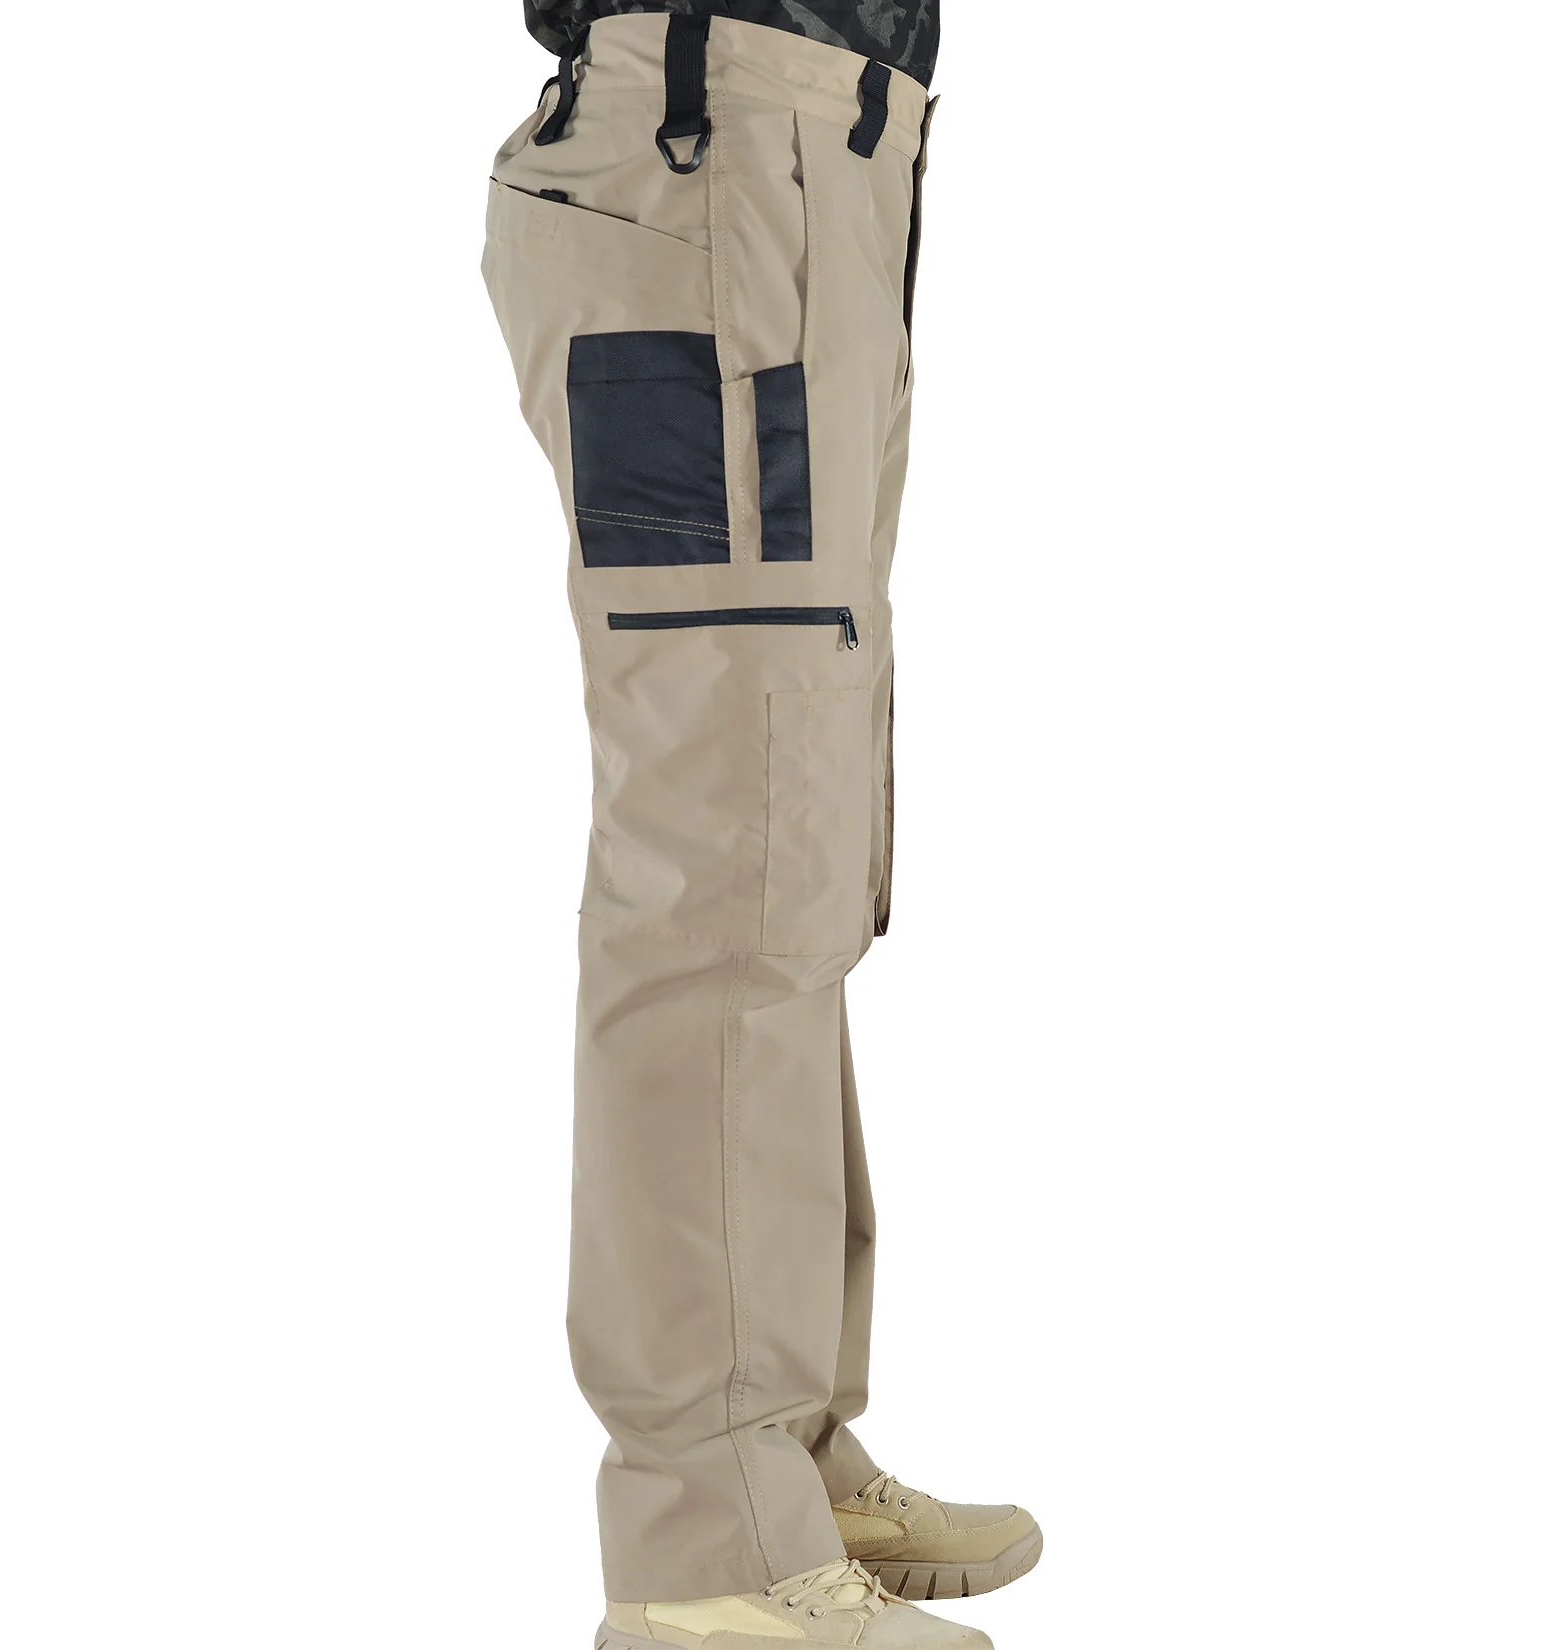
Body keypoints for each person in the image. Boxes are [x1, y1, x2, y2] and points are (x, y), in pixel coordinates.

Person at [483, 5, 1041, 1645]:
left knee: (797, 855)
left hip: (809, 150)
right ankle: (705, 1533)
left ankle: (777, 1450)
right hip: (714, 153)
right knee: (725, 866)